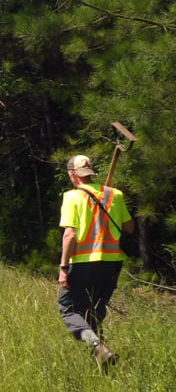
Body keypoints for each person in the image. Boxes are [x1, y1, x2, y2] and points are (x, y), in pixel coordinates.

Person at [58, 154, 135, 369]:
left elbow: (70, 235)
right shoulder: (115, 195)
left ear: (72, 174)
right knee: (94, 312)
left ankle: (96, 346)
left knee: (68, 309)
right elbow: (130, 228)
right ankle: (104, 363)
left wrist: (63, 268)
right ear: (90, 172)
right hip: (111, 263)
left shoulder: (72, 197)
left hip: (83, 262)